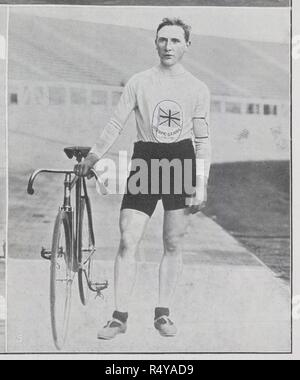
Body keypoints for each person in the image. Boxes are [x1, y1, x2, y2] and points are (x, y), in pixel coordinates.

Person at [74, 17, 211, 340]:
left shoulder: (197, 88)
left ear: (187, 46)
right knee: (127, 239)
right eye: (163, 40)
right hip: (146, 160)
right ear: (155, 42)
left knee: (173, 242)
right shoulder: (139, 82)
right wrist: (94, 155)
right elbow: (115, 124)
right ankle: (119, 317)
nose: (168, 46)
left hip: (181, 162)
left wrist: (201, 181)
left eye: (175, 41)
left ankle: (163, 314)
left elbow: (203, 139)